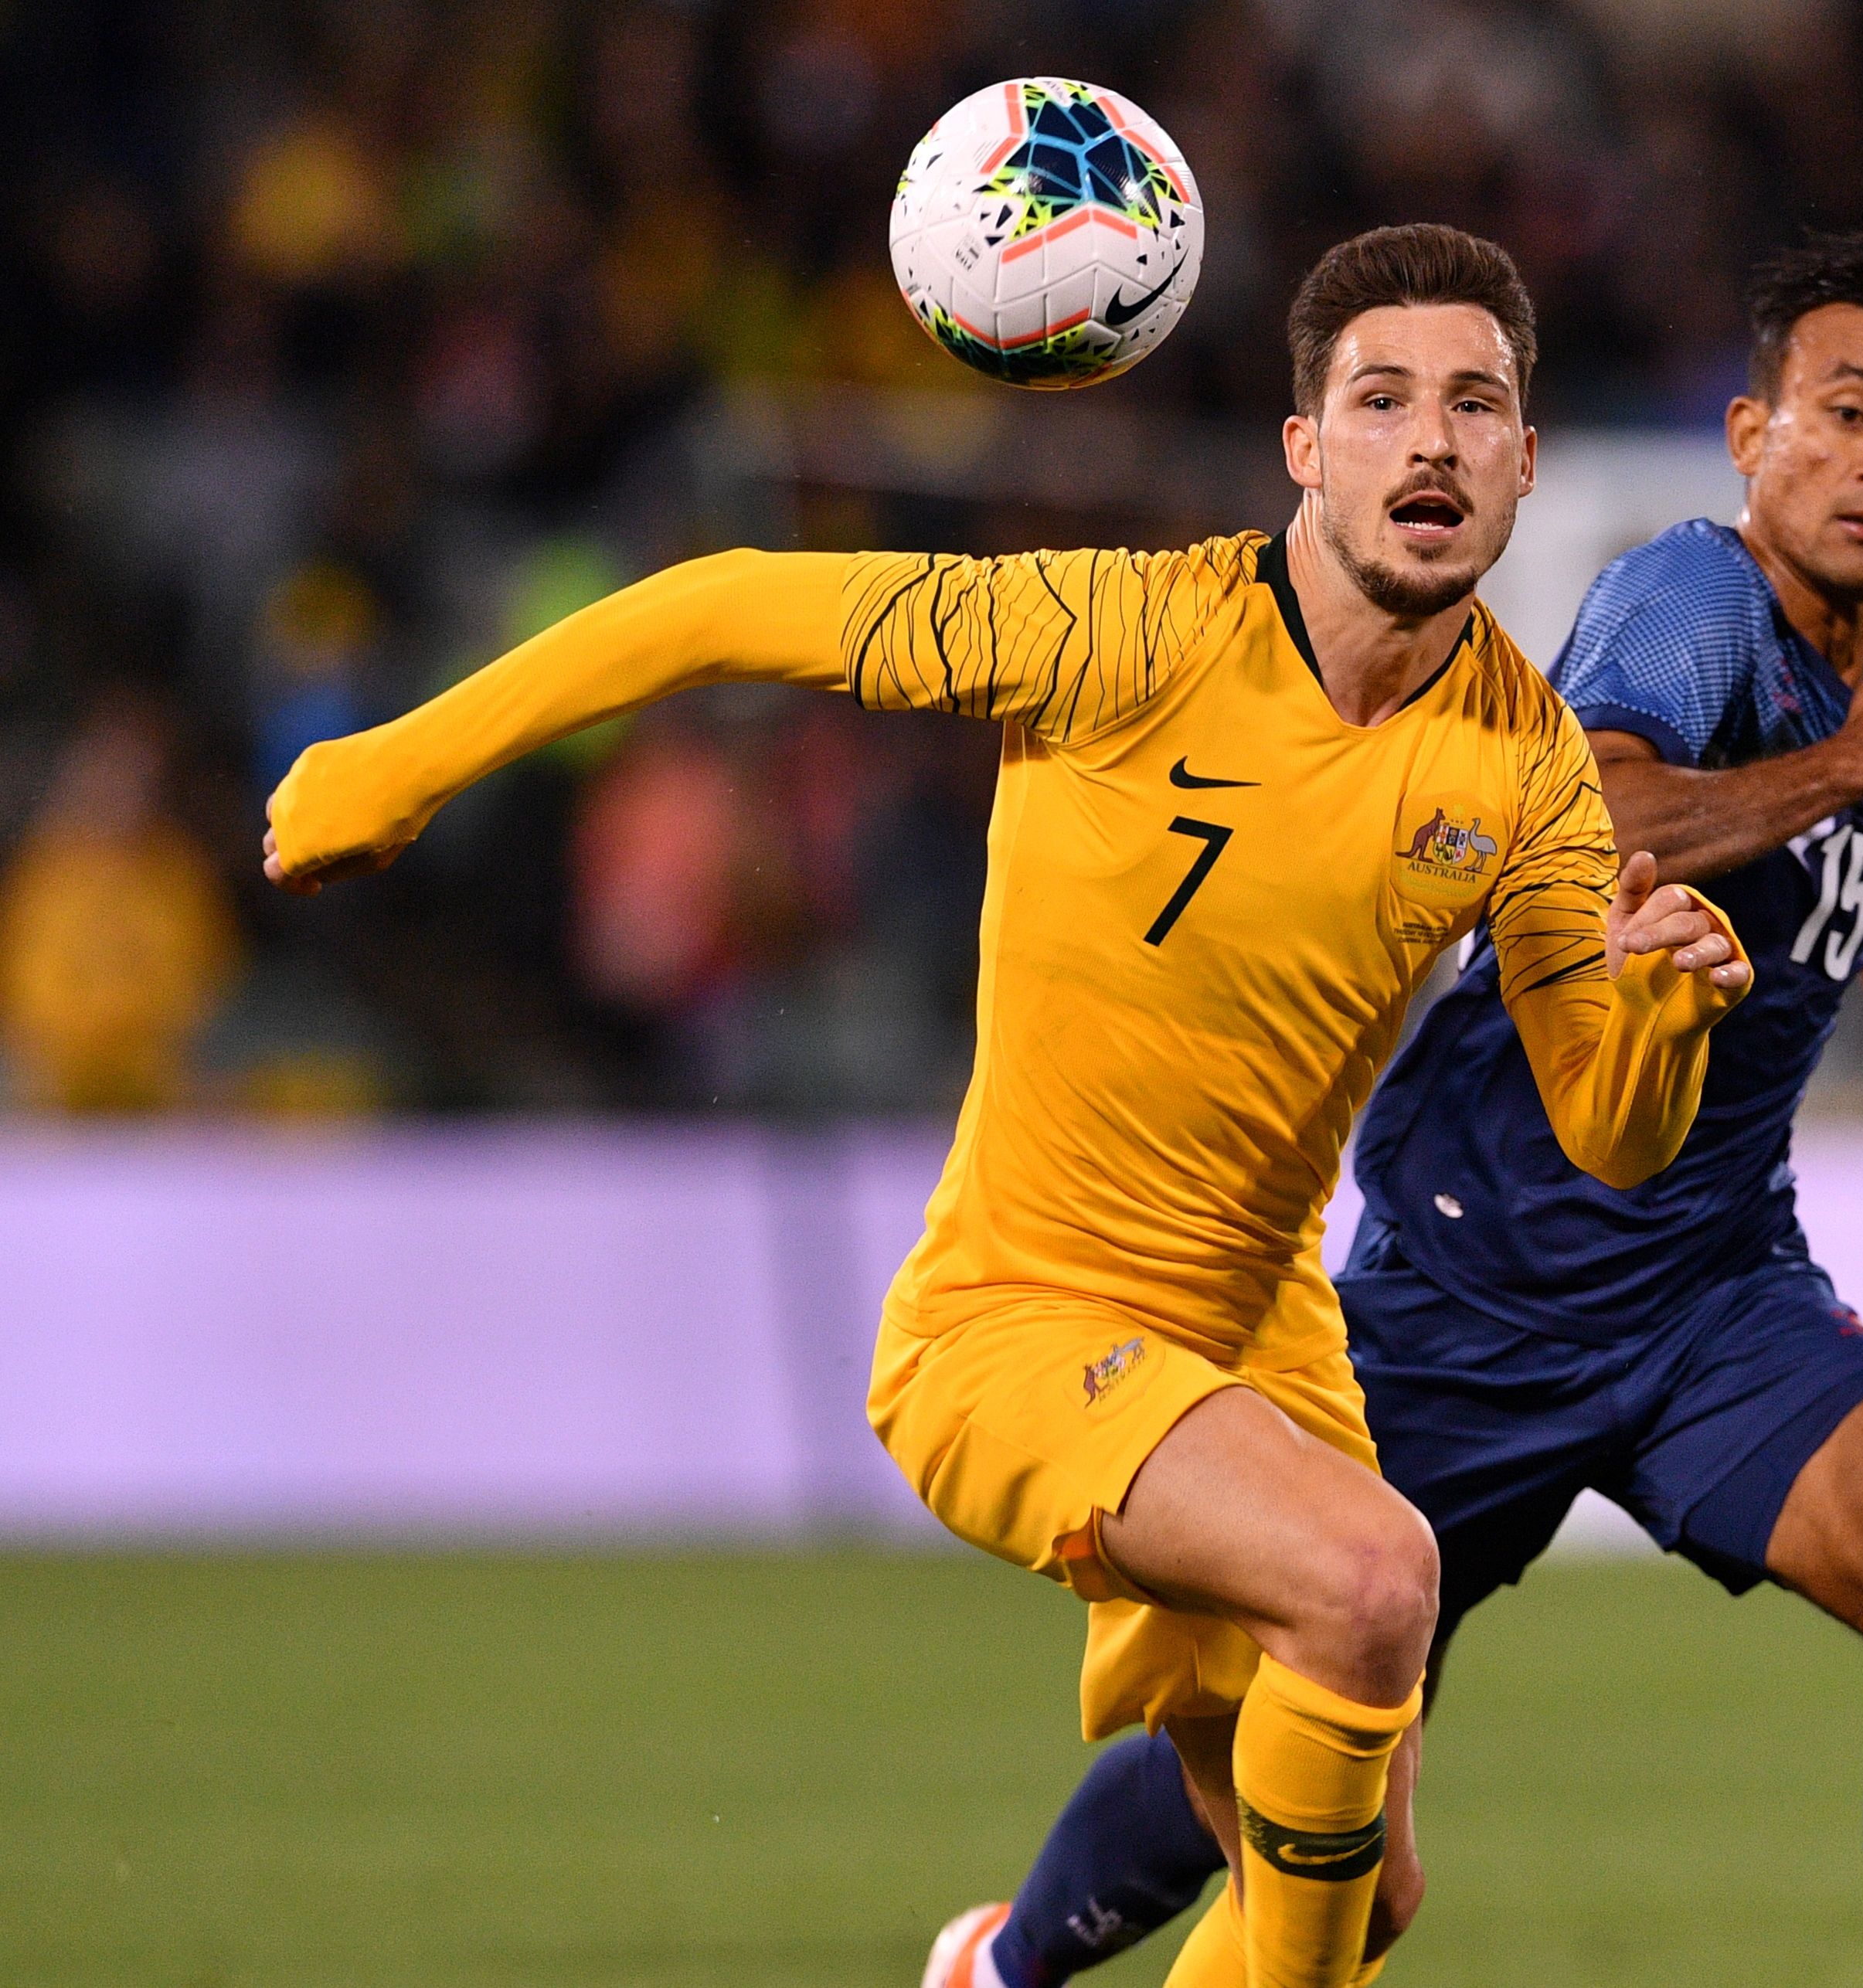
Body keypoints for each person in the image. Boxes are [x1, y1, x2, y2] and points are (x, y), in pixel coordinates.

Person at [263, 223, 1753, 1988]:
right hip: (1015, 1319)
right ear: (1306, 448)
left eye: (1473, 404)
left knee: (1365, 1894)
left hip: (1254, 1344)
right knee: (1372, 1579)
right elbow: (724, 598)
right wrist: (404, 761)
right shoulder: (1115, 630)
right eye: (1382, 400)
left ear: (1525, 460)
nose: (1429, 439)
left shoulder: (1529, 769)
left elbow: (1610, 1126)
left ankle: (987, 1974)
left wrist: (1661, 1015)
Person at [927, 234, 1863, 1988]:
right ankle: (1009, 1964)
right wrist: (1855, 760)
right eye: (1846, 412)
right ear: (1750, 433)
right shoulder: (1689, 600)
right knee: (1293, 1730)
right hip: (1472, 1284)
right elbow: (1601, 822)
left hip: (1711, 1286)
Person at [1, 698, 240, 1113]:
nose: (120, 789)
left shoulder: (178, 877)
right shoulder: (43, 873)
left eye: (136, 776)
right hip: (53, 1076)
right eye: (108, 770)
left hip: (155, 1074)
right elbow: (21, 986)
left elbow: (202, 983)